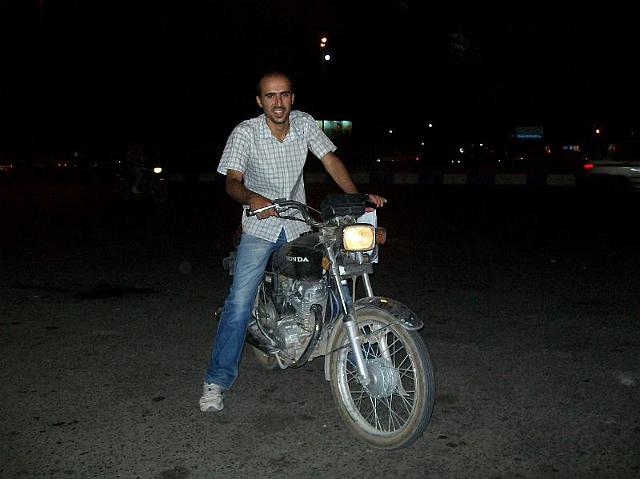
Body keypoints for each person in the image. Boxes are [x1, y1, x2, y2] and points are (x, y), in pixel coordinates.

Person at [199, 70, 386, 412]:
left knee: (336, 285)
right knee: (239, 304)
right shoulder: (246, 132)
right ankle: (216, 380)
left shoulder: (303, 123)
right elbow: (232, 181)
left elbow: (330, 160)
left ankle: (360, 356)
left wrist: (356, 198)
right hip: (260, 227)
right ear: (260, 101)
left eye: (284, 94)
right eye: (270, 96)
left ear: (292, 98)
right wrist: (252, 198)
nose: (278, 102)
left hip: (299, 223)